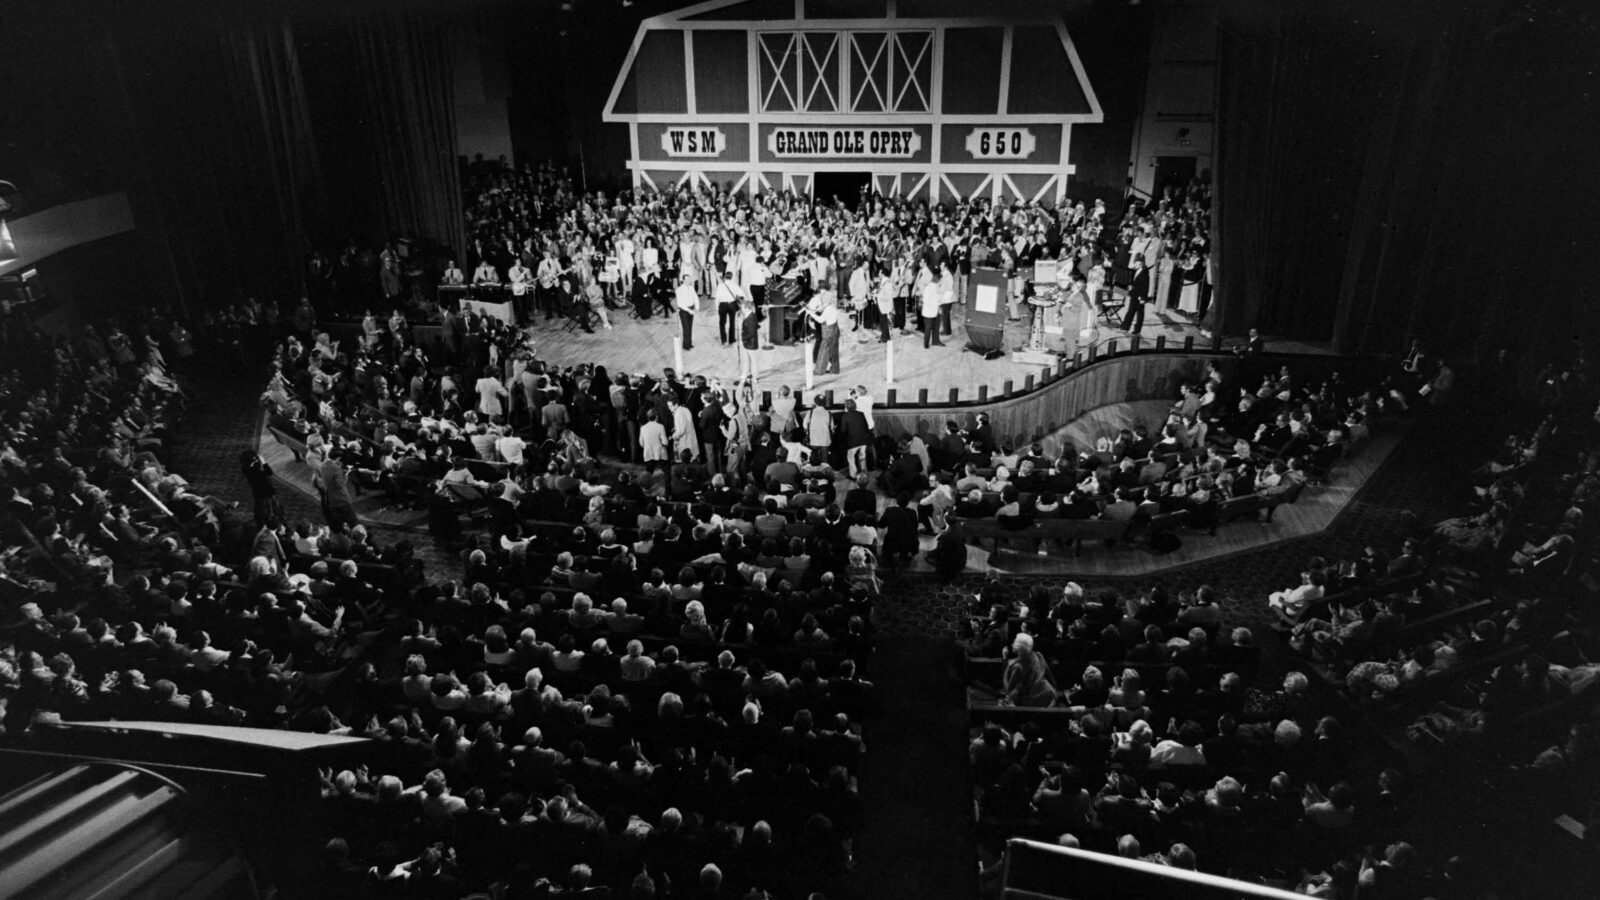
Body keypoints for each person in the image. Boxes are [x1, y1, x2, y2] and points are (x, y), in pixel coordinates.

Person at [715, 269, 744, 347]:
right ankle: (732, 339)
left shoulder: (720, 286)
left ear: (725, 277)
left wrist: (717, 307)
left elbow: (717, 298)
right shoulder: (734, 285)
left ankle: (724, 340)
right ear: (732, 277)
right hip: (732, 305)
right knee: (732, 322)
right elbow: (742, 294)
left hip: (722, 305)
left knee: (722, 323)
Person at [1121, 256, 1150, 334]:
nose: (1134, 264)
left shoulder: (1145, 273)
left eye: (1136, 263)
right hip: (1134, 294)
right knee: (1130, 311)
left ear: (1141, 264)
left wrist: (1143, 298)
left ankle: (1137, 330)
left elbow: (1145, 287)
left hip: (1140, 297)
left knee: (1140, 314)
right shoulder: (1136, 271)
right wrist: (1131, 286)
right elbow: (1134, 282)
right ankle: (1125, 326)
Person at [919, 261, 944, 348]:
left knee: (936, 327)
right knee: (928, 329)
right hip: (929, 311)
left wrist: (939, 303)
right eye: (937, 277)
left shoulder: (936, 286)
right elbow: (926, 300)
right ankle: (926, 345)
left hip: (935, 310)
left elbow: (939, 297)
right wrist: (937, 302)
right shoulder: (928, 287)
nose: (938, 279)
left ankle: (936, 341)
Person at [675, 273, 699, 350]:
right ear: (683, 280)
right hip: (684, 311)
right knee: (686, 328)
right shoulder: (679, 290)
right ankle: (686, 345)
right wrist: (689, 310)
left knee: (690, 327)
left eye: (689, 279)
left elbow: (695, 298)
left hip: (691, 309)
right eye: (687, 279)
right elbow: (680, 303)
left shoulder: (691, 288)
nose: (689, 281)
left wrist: (697, 308)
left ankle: (689, 343)